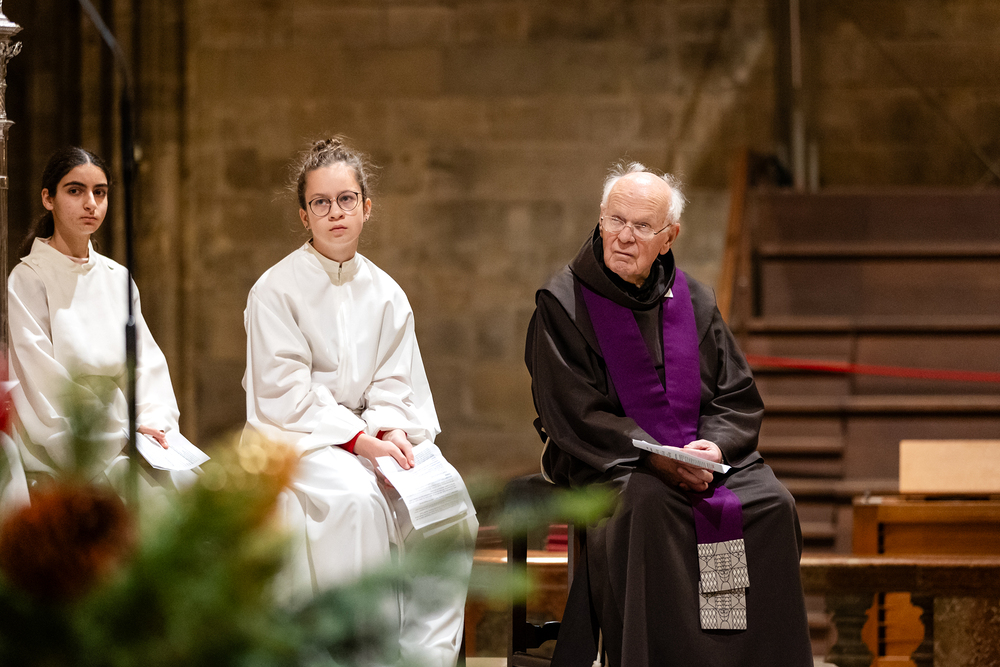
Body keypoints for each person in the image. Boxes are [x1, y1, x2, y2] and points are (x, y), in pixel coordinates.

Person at [525, 161, 813, 666]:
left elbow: (736, 394)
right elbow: (572, 408)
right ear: (600, 219)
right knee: (651, 506)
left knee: (772, 504)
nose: (624, 237)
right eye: (616, 220)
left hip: (701, 458)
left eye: (642, 226)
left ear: (669, 237)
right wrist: (654, 456)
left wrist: (714, 447)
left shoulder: (695, 301)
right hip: (613, 460)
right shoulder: (563, 303)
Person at [243, 137, 477, 667]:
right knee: (357, 501)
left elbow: (396, 380)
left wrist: (390, 428)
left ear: (366, 207)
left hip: (373, 434)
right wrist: (357, 440)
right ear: (303, 215)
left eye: (346, 199)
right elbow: (286, 394)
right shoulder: (275, 290)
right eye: (321, 203)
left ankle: (423, 659)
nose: (335, 212)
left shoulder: (387, 292)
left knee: (448, 501)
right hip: (300, 441)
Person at [6, 146, 195, 500]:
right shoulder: (29, 279)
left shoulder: (117, 277)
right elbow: (41, 382)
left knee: (196, 491)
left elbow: (147, 367)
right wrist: (119, 433)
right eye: (75, 191)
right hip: (75, 446)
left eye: (100, 192)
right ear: (48, 198)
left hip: (136, 439)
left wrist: (155, 424)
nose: (91, 203)